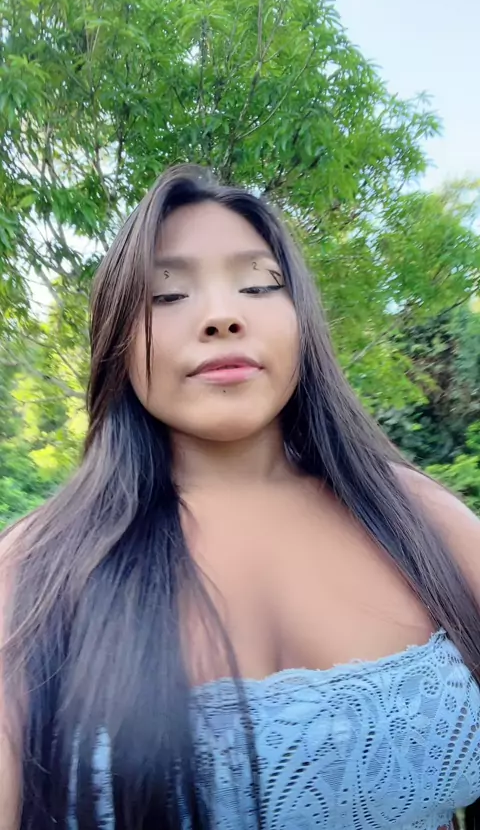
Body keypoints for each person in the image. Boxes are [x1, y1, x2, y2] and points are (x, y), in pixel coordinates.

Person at [0, 164, 479, 830]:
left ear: (301, 320)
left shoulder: (415, 513)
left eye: (258, 284)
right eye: (167, 294)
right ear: (116, 343)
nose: (222, 316)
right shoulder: (35, 568)